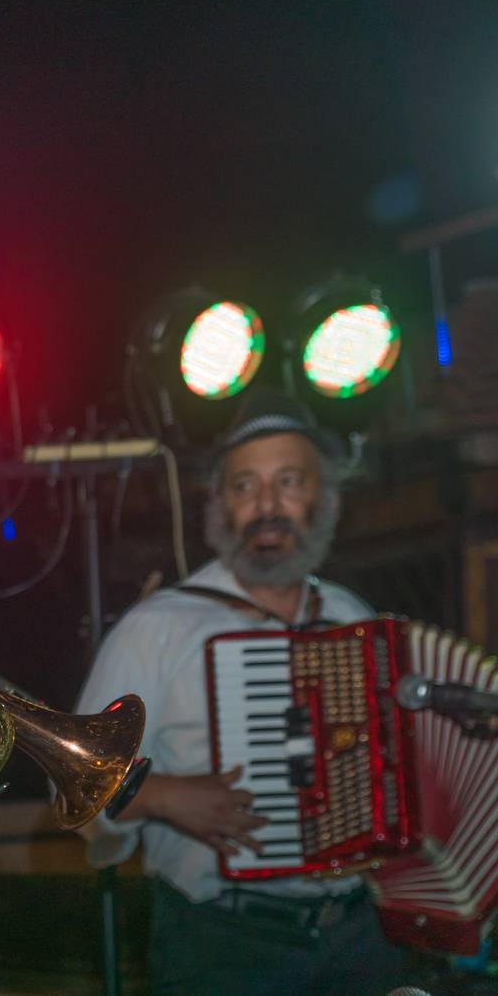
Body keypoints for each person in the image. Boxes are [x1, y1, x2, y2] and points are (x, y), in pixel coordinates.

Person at [74, 388, 411, 995]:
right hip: (222, 947)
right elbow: (69, 777)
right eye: (244, 487)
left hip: (362, 936)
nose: (267, 507)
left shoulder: (352, 617)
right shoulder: (157, 628)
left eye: (289, 482)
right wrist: (161, 795)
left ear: (325, 499)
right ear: (219, 506)